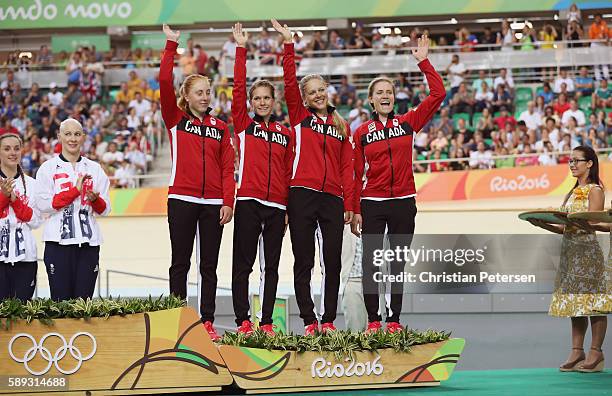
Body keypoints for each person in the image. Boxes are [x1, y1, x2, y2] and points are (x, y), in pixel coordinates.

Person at [352, 34, 445, 333]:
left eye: (389, 91)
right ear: (370, 99)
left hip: (404, 202)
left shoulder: (408, 123)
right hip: (373, 204)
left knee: (397, 266)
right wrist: (354, 210)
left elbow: (438, 94)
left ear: (394, 97)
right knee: (371, 266)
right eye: (379, 92)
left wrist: (423, 62)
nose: (385, 95)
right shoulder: (361, 132)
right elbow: (354, 175)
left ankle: (393, 321)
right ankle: (372, 321)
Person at [272, 19, 354, 335]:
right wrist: (288, 43)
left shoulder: (340, 126)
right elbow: (289, 82)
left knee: (331, 262)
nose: (319, 95)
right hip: (302, 194)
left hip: (333, 198)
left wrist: (349, 201)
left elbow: (347, 167)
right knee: (303, 261)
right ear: (305, 99)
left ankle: (329, 320)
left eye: (322, 90)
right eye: (313, 92)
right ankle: (309, 321)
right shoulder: (299, 118)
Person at [161, 25, 235, 340]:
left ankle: (206, 321)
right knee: (180, 262)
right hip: (182, 200)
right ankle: (179, 319)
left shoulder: (221, 127)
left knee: (209, 266)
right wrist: (171, 44)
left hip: (213, 204)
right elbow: (164, 79)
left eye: (208, 92)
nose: (205, 97)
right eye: (199, 92)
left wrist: (227, 201)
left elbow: (228, 167)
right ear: (187, 96)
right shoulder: (175, 119)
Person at [230, 23, 293, 337]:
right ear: (252, 102)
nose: (263, 102)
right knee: (242, 266)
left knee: (271, 269)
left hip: (276, 207)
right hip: (248, 203)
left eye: (267, 97)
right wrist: (241, 50)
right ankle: (243, 320)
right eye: (257, 98)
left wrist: (286, 210)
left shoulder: (285, 133)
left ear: (274, 100)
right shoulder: (243, 125)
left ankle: (266, 322)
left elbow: (287, 173)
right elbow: (237, 88)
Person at [528, 146, 610, 373]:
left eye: (576, 160)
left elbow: (596, 224)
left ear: (590, 164)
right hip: (569, 254)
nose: (572, 164)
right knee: (575, 303)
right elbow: (567, 229)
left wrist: (579, 223)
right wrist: (543, 223)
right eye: (570, 161)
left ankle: (596, 352)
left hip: (588, 253)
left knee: (594, 303)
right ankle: (577, 351)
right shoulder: (572, 192)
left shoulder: (595, 190)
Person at [36, 118, 111, 301]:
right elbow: (43, 204)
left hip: (88, 243)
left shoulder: (95, 169)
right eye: (68, 134)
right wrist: (75, 191)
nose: (72, 139)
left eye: (77, 134)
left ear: (83, 137)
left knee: (83, 304)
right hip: (57, 244)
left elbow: (106, 209)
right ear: (59, 136)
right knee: (60, 302)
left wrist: (95, 199)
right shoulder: (48, 168)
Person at [0, 132, 41, 301]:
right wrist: (4, 197)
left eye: (17, 148)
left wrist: (15, 200)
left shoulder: (32, 184)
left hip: (26, 258)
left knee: (23, 313)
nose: (12, 152)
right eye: (7, 148)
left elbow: (36, 221)